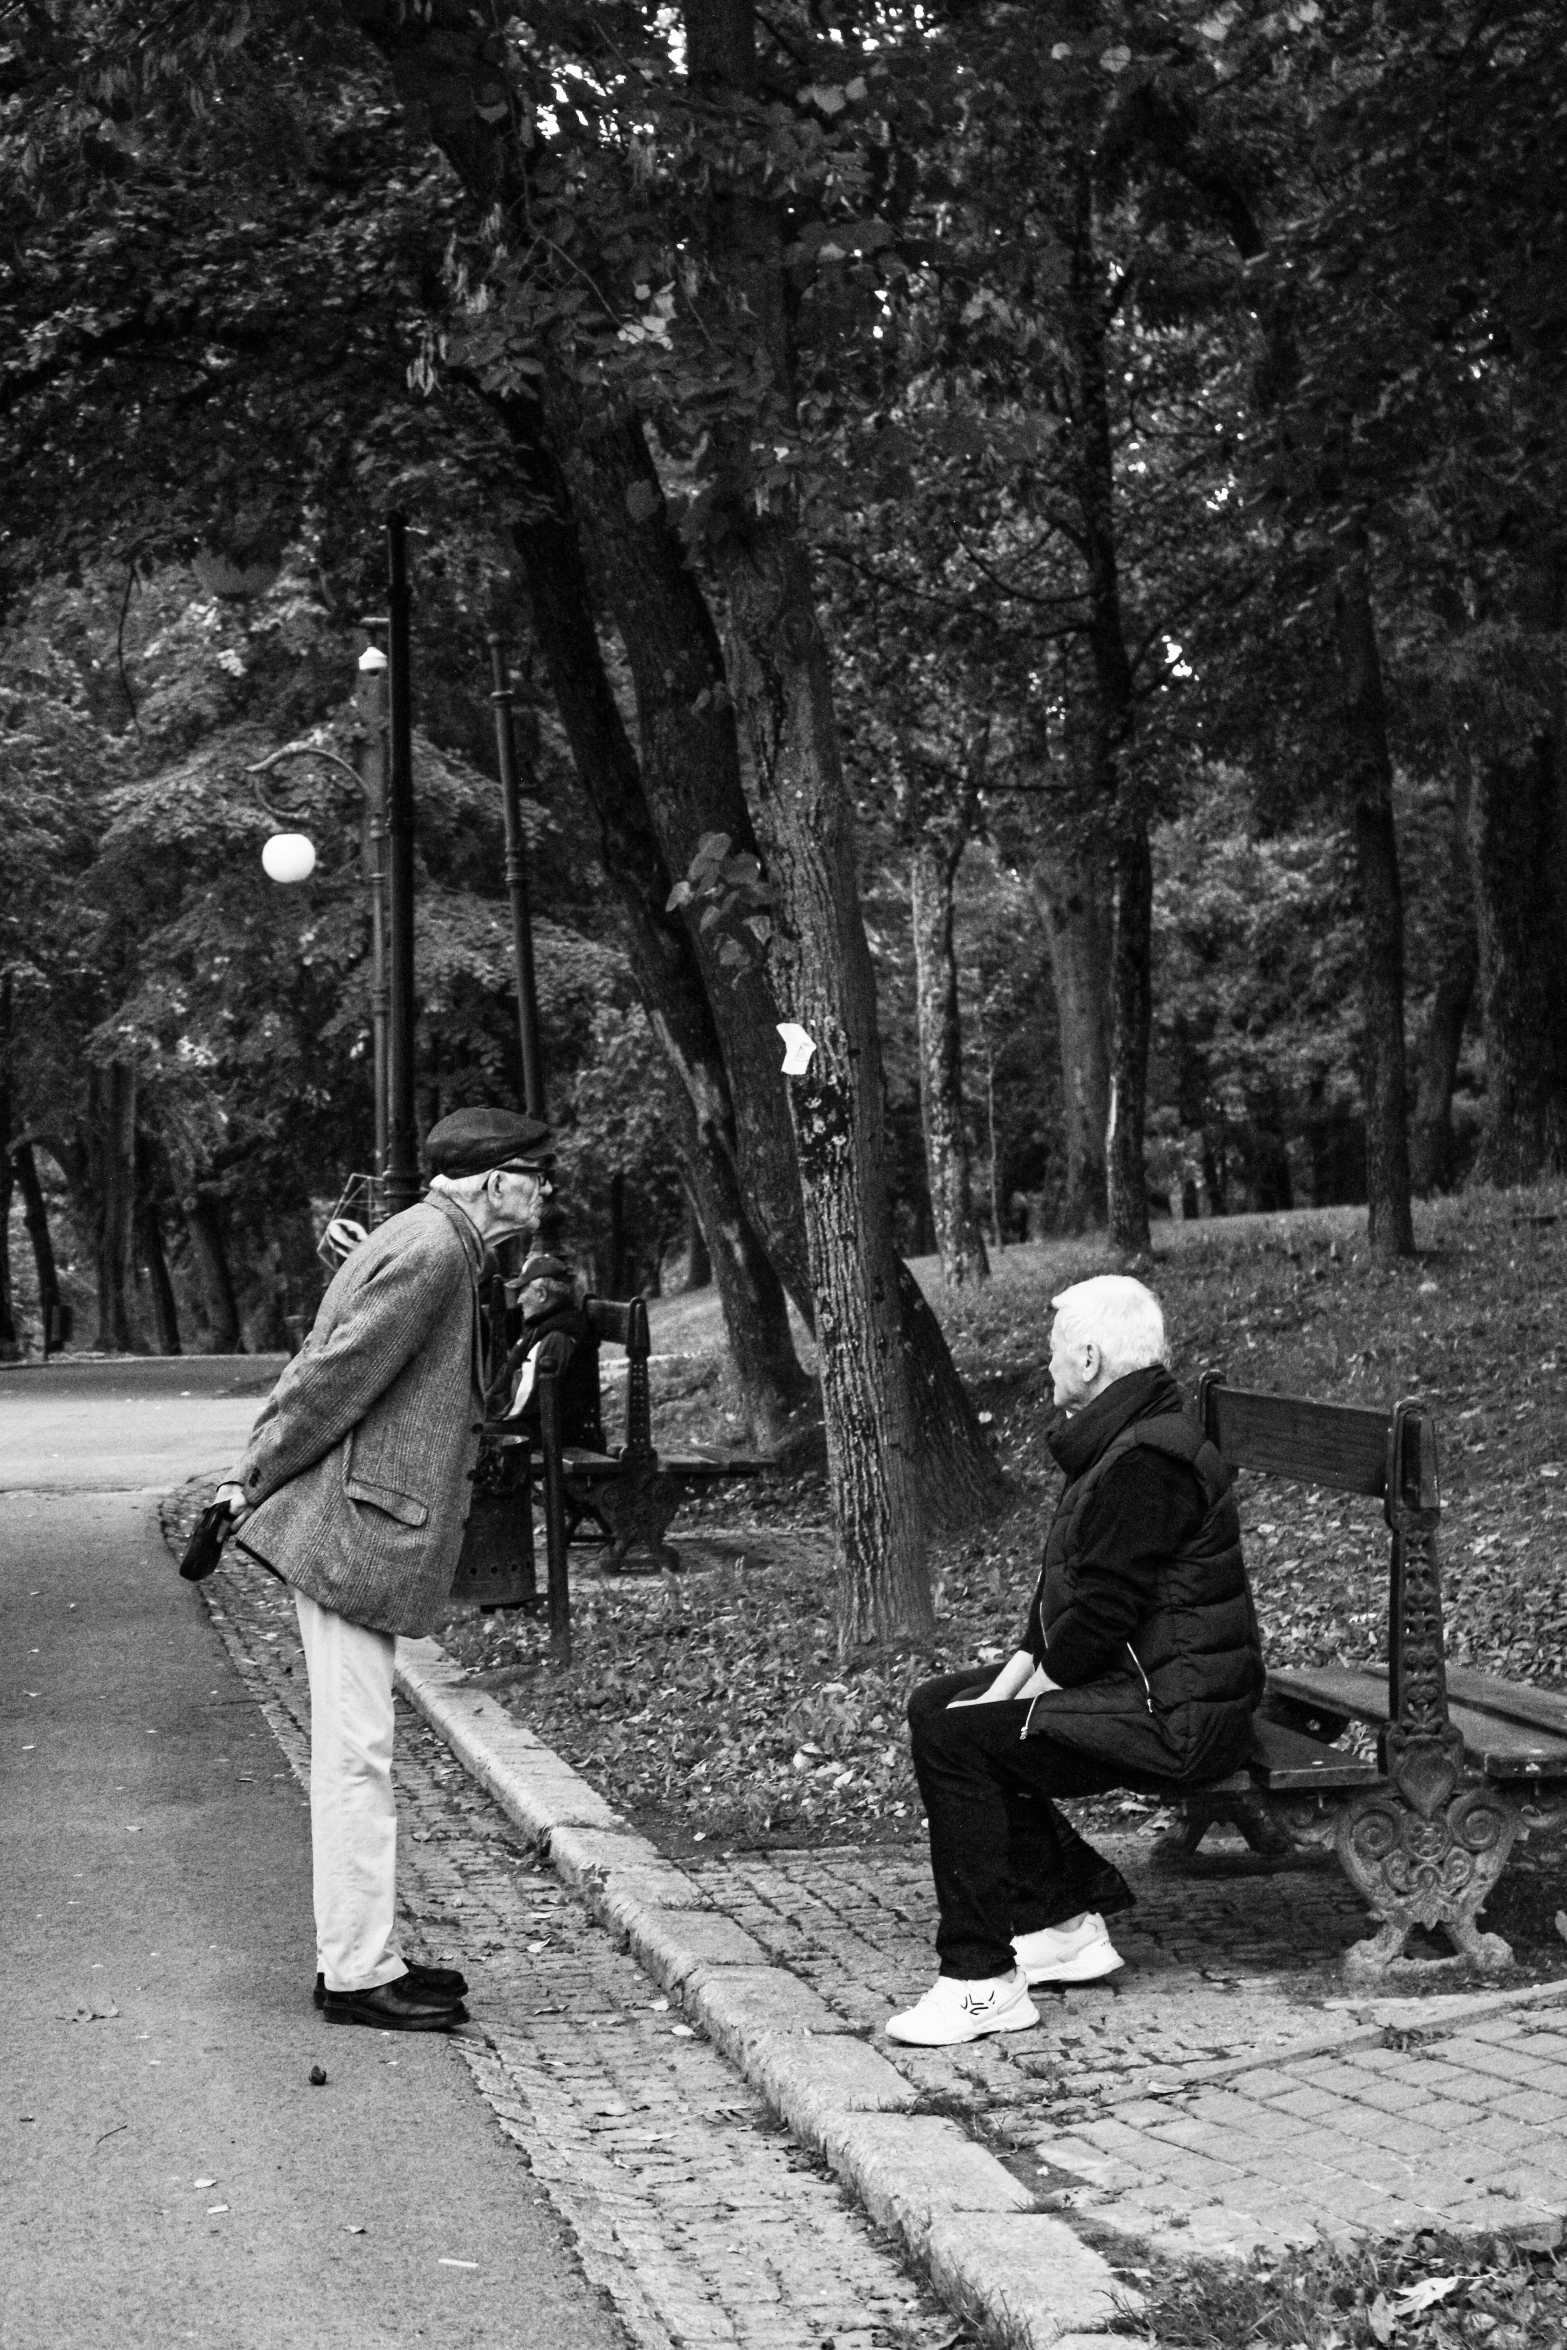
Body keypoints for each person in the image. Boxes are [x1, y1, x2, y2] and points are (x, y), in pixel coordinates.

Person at [214, 1107, 556, 2032]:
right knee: (354, 1757)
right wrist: (248, 1479)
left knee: (356, 1752)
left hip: (362, 1524)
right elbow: (330, 1374)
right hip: (353, 1531)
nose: (548, 1189)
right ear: (493, 1184)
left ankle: (364, 1956)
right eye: (535, 1173)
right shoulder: (434, 1252)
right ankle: (356, 1974)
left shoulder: (436, 1241)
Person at [887, 1274, 1264, 2048]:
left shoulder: (1144, 1462)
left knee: (965, 1743)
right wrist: (1000, 1694)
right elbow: (1053, 1617)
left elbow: (1094, 1625)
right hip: (1146, 1684)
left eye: (1053, 1352)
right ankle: (1062, 1924)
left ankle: (980, 1981)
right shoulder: (1122, 1442)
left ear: (1088, 1358)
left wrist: (1001, 1714)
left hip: (1175, 1715)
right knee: (939, 1709)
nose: (1046, 1365)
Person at [500, 1252, 603, 1449]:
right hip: (545, 1427)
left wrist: (491, 1416)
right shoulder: (545, 1325)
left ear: (541, 1294)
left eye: (523, 1291)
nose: (519, 1300)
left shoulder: (557, 1335)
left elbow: (524, 1401)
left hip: (556, 1436)